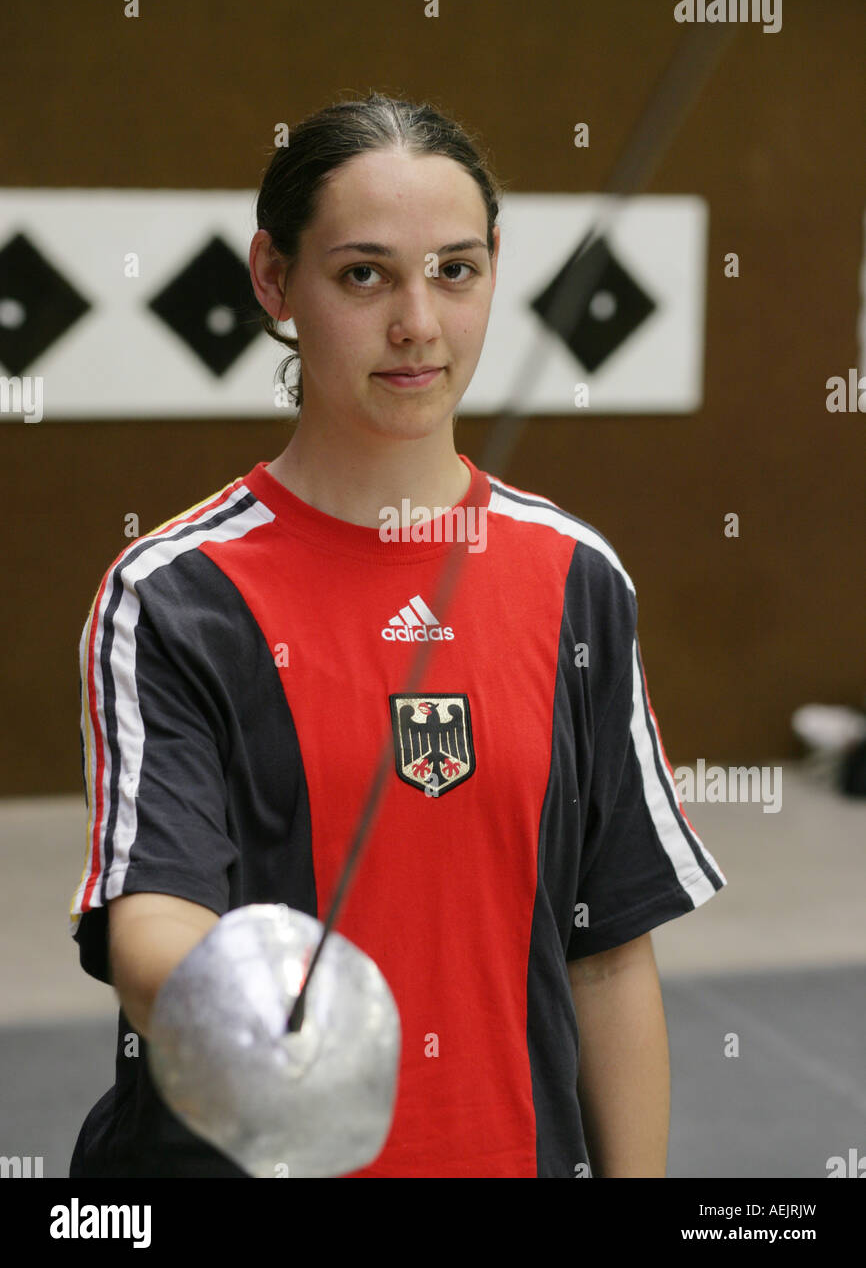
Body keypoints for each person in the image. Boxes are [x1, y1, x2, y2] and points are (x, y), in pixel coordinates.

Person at [68, 91, 726, 1179]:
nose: (417, 322)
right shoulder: (174, 595)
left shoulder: (577, 581)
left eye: (454, 270)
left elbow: (605, 958)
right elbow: (152, 925)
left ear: (495, 270)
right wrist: (268, 1022)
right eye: (363, 274)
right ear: (275, 280)